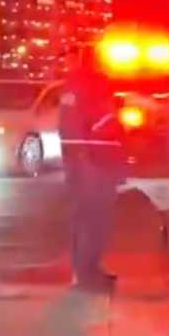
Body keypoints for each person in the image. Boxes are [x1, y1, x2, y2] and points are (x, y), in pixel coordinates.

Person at [59, 49, 125, 290]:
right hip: (94, 163)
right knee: (91, 219)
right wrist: (83, 157)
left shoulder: (79, 85)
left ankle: (88, 269)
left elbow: (73, 127)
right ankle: (85, 271)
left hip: (94, 162)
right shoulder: (86, 85)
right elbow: (76, 127)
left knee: (94, 219)